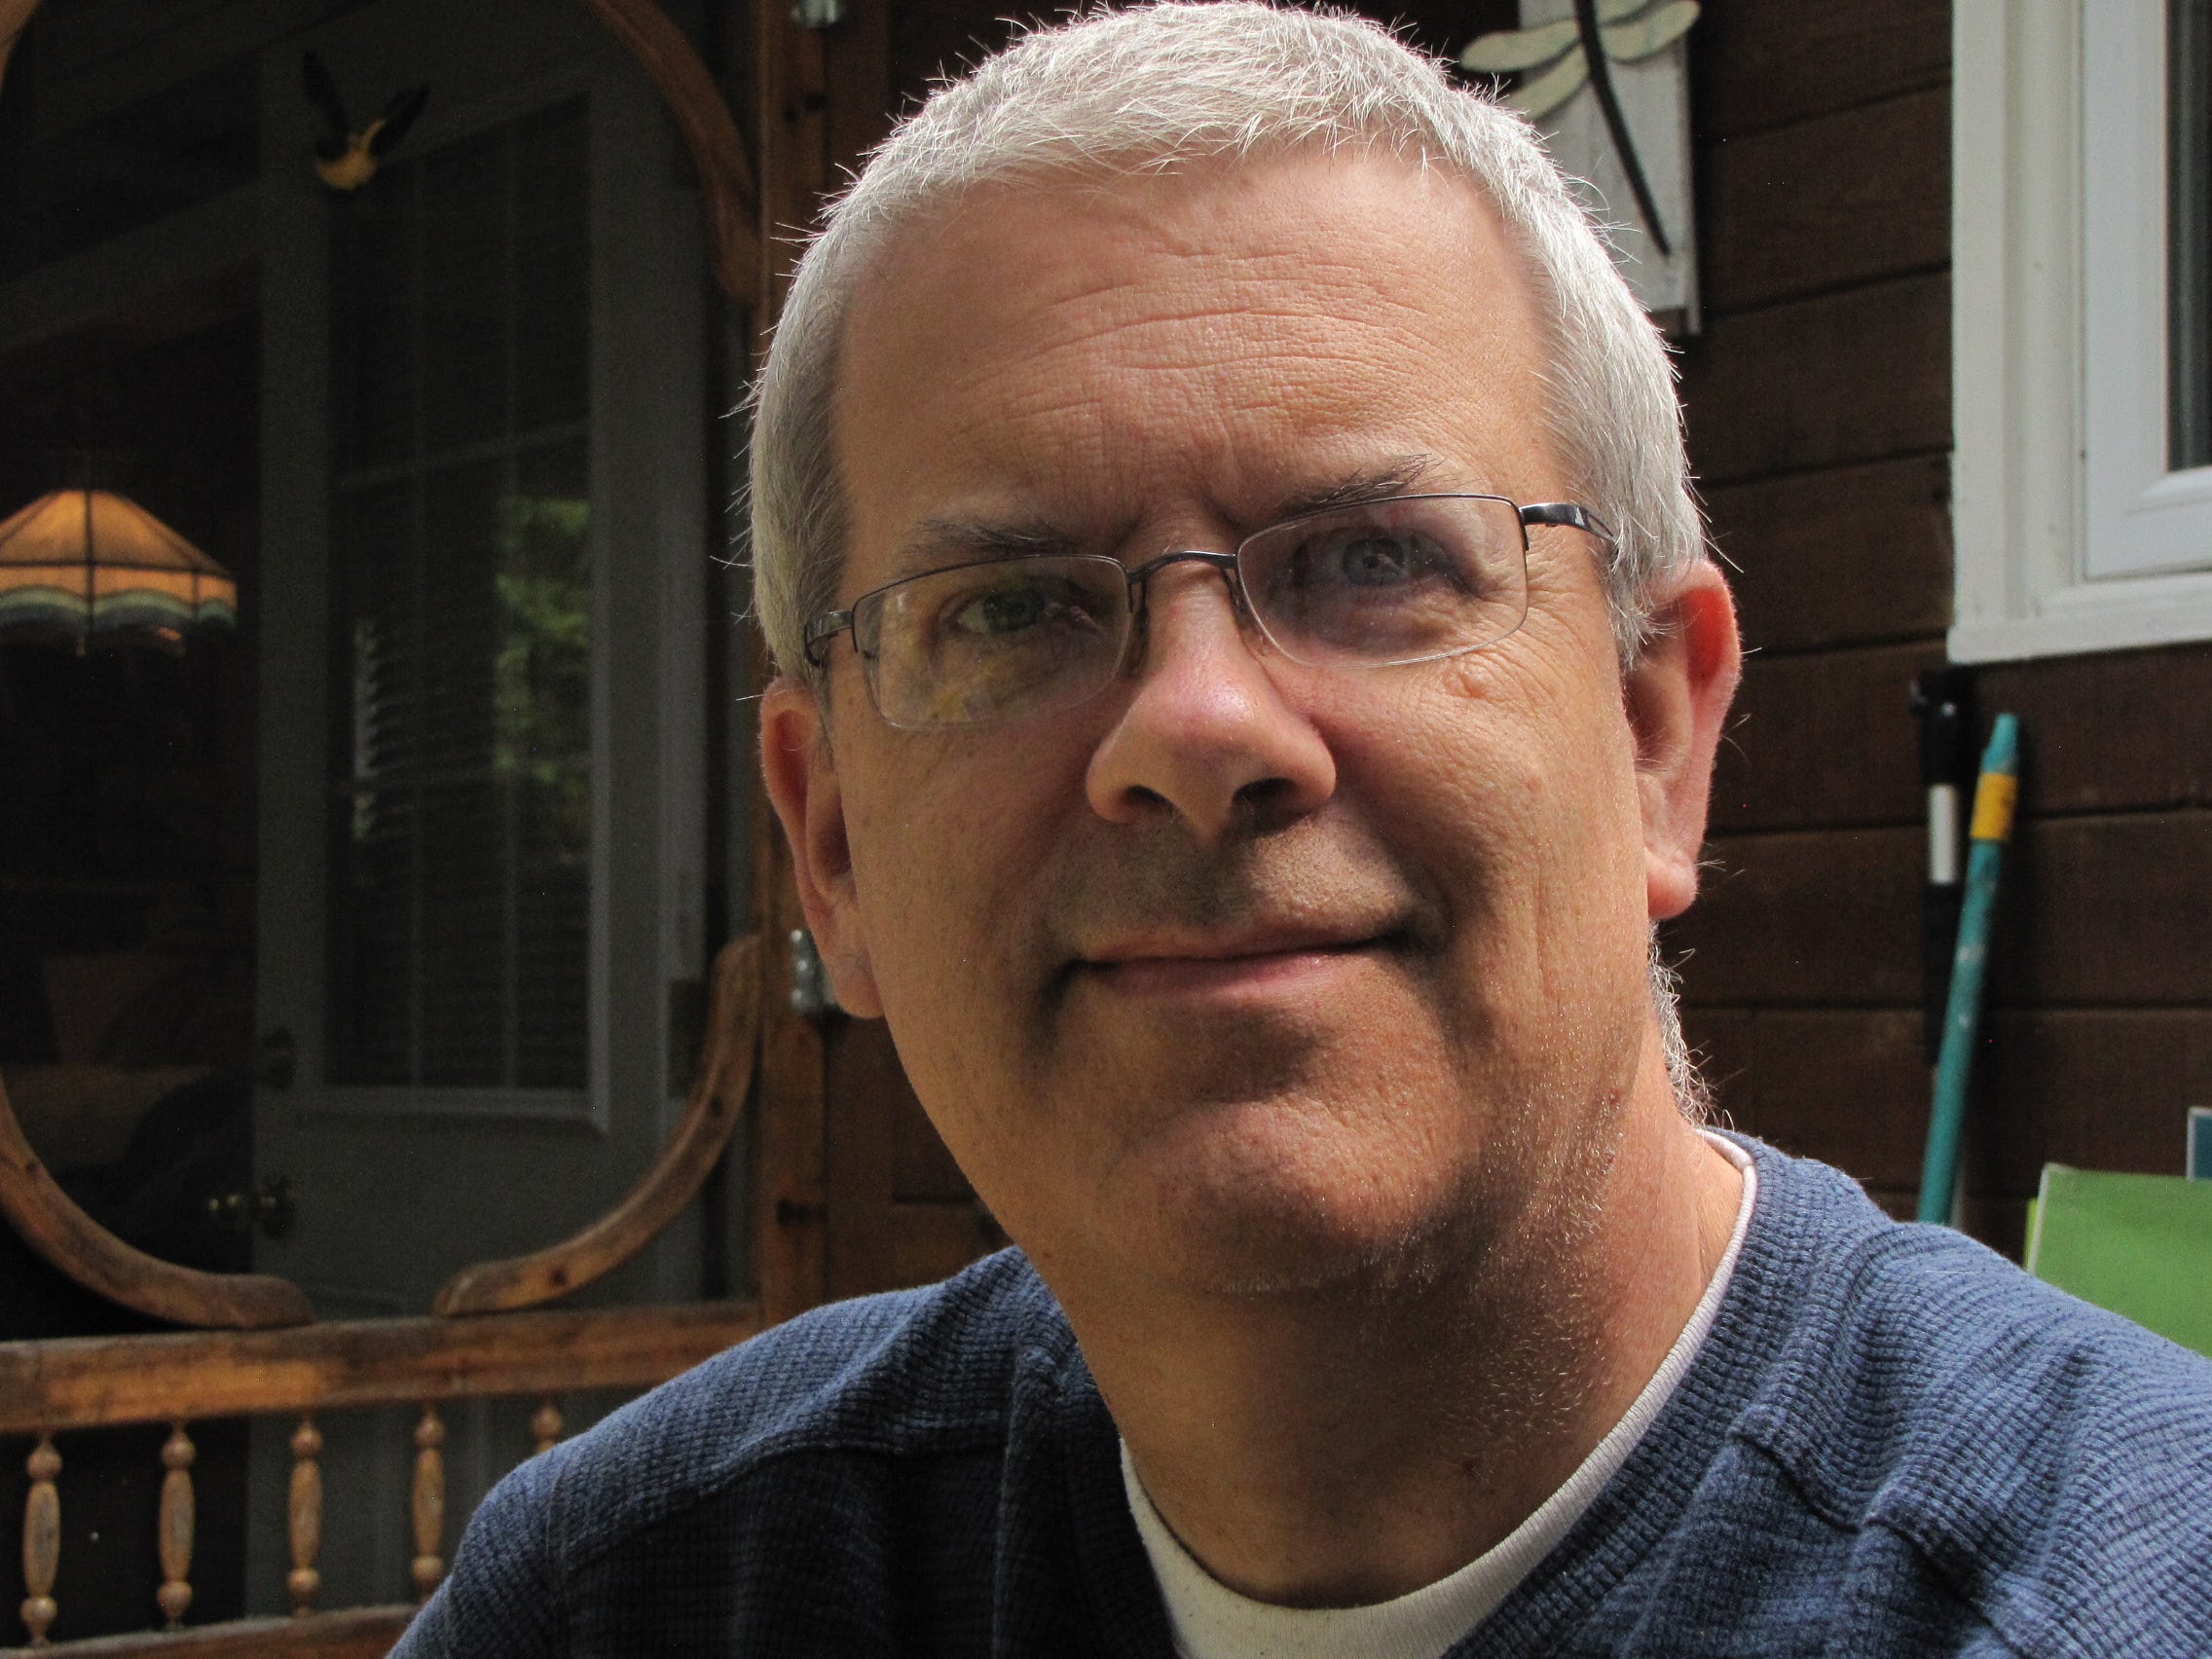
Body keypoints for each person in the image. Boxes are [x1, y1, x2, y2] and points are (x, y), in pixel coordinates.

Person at [396, 6, 2212, 1653]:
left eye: (1372, 561)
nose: (1200, 729)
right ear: (834, 846)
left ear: (1655, 732)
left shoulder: (2122, 1601)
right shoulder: (630, 1601)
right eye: (1014, 608)